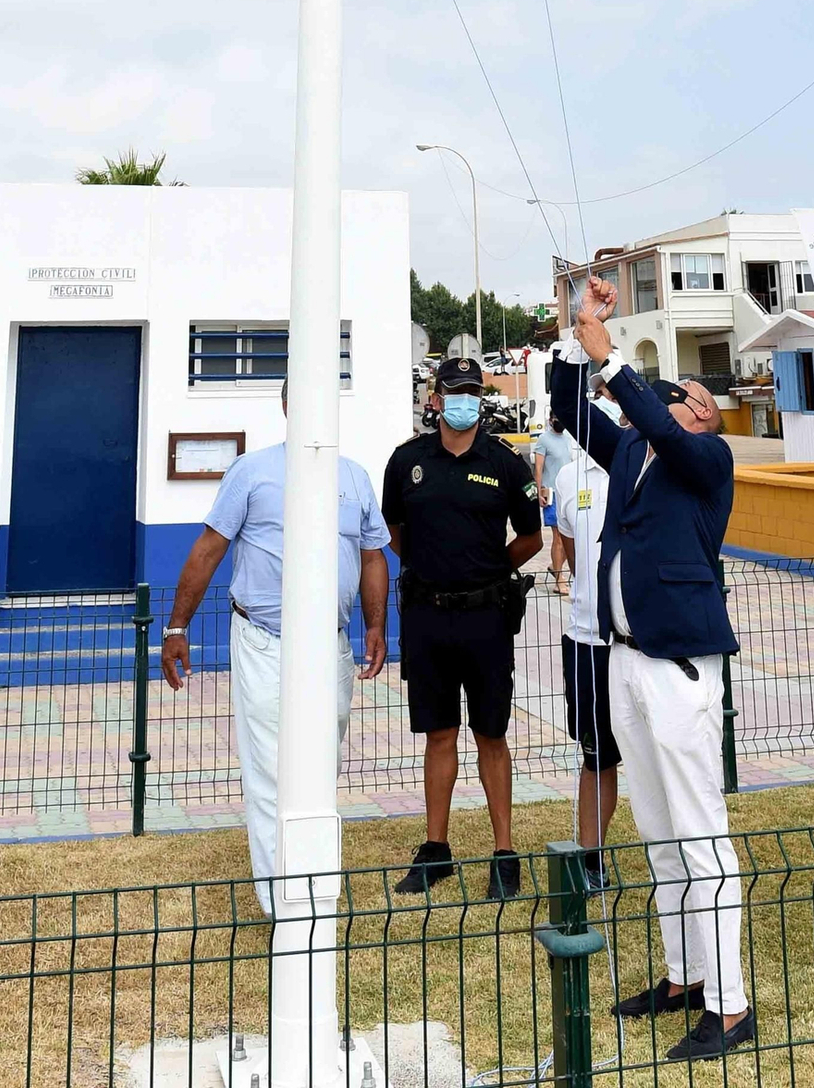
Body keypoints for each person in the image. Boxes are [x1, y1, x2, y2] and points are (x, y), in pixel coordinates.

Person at [552, 280, 753, 1061]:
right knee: (659, 832)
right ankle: (685, 975)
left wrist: (617, 365)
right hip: (625, 658)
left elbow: (662, 425)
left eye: (682, 395)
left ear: (701, 412)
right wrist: (581, 331)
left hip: (678, 667)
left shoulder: (707, 456)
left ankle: (731, 1005)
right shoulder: (633, 448)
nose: (669, 400)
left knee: (701, 834)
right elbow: (571, 409)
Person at [160, 385, 389, 914]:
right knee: (269, 772)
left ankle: (315, 883)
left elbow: (373, 555)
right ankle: (282, 901)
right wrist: (176, 628)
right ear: (288, 405)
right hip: (264, 641)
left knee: (321, 766)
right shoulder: (252, 472)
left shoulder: (354, 476)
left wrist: (376, 625)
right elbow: (209, 548)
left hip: (330, 646)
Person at [382, 353, 544, 901]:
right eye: (455, 391)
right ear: (435, 399)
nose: (464, 401)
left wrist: (487, 570)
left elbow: (530, 538)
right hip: (427, 615)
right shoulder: (407, 461)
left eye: (473, 392)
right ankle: (436, 851)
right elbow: (395, 531)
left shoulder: (505, 462)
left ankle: (504, 854)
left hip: (486, 617)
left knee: (491, 734)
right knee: (439, 733)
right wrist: (434, 567)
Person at [553, 384, 620, 887]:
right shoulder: (567, 477)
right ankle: (591, 859)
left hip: (637, 646)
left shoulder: (638, 469)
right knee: (596, 755)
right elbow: (572, 549)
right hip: (585, 640)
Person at [534, 415, 574, 596]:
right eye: (556, 417)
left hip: (569, 493)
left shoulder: (567, 439)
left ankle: (554, 566)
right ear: (550, 420)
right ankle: (559, 579)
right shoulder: (544, 440)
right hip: (552, 493)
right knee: (558, 537)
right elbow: (538, 469)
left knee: (571, 537)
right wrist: (538, 492)